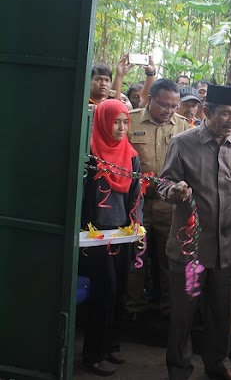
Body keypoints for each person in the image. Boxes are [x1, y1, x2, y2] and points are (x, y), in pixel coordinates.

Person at [158, 85, 231, 380]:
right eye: (225, 113)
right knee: (184, 315)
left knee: (221, 312)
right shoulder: (182, 143)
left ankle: (218, 364)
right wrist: (174, 191)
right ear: (206, 112)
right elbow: (163, 184)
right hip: (189, 250)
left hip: (227, 248)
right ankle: (178, 369)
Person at [80, 99, 142, 376]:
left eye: (125, 122)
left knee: (119, 291)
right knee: (103, 292)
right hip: (95, 236)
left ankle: (111, 346)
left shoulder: (130, 155)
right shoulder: (90, 153)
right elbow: (82, 197)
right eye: (115, 121)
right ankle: (93, 354)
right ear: (103, 121)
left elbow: (137, 194)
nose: (120, 127)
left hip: (122, 234)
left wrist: (136, 224)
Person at [126, 79, 191, 317]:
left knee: (168, 259)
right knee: (136, 257)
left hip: (169, 205)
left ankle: (168, 310)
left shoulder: (183, 126)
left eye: (174, 106)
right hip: (137, 204)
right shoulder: (130, 121)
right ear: (150, 99)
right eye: (164, 105)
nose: (169, 111)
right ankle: (133, 308)